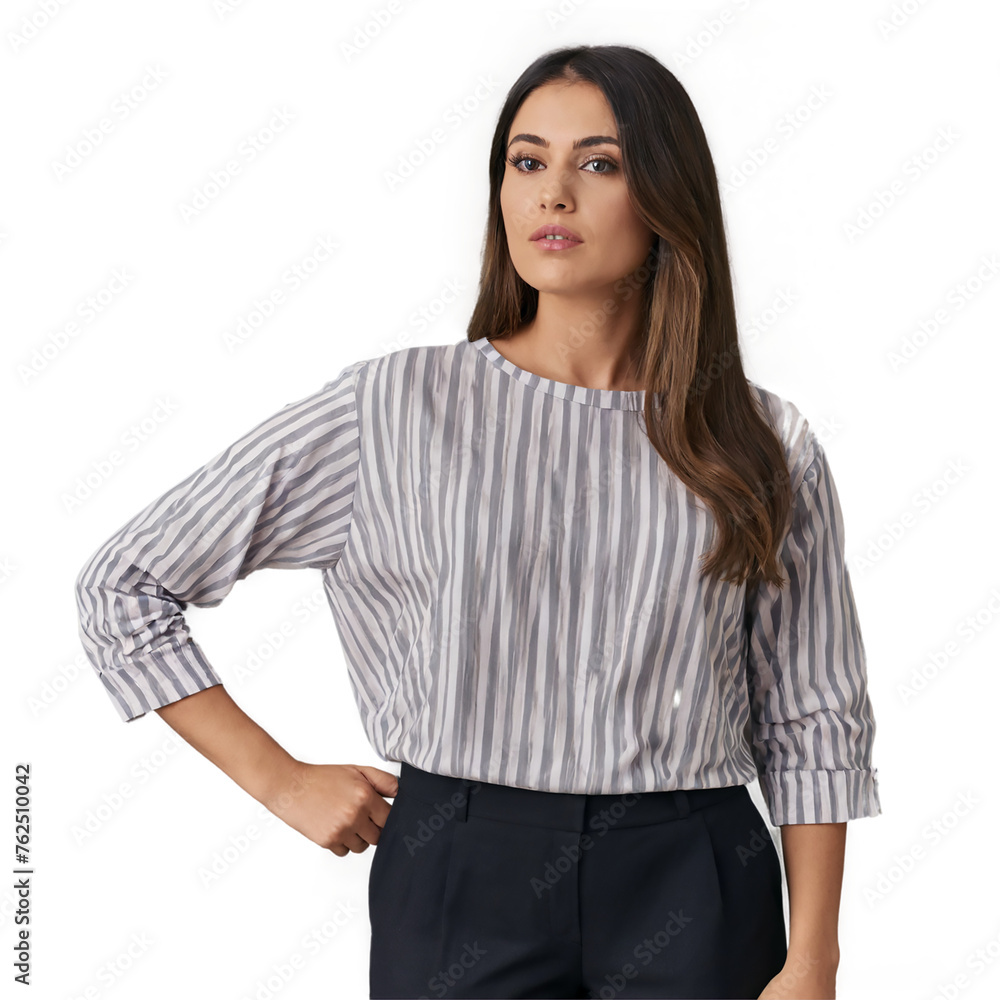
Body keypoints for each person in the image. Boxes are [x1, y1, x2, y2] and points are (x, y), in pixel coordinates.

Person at [74, 43, 882, 1000]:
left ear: (668, 197)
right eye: (527, 161)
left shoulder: (759, 438)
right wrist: (279, 779)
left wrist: (814, 956)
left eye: (600, 163)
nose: (554, 194)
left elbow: (811, 710)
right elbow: (124, 584)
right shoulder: (395, 409)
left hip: (694, 872)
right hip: (460, 867)